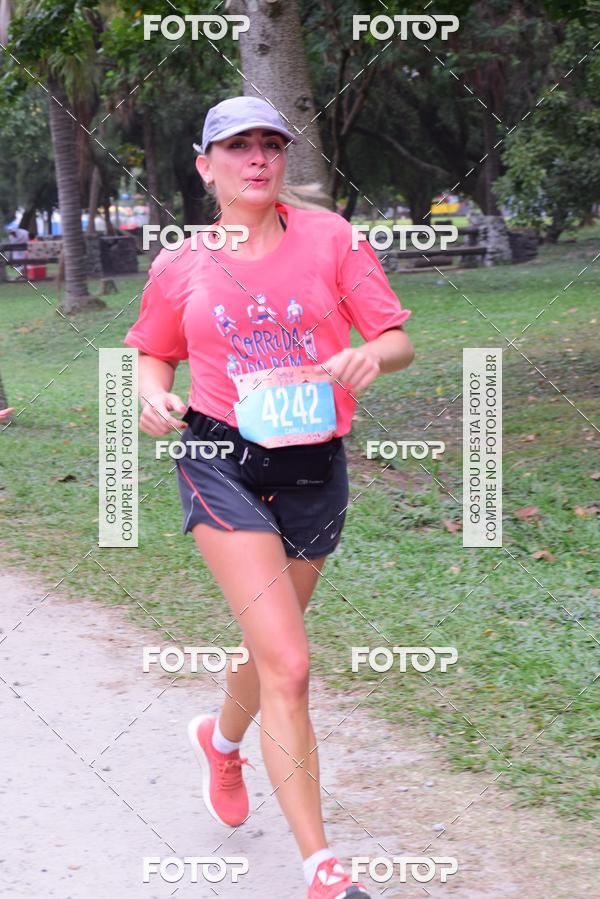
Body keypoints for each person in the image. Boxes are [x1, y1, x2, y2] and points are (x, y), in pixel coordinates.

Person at [124, 95, 415, 898]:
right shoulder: (181, 263)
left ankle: (220, 741)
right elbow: (153, 355)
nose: (257, 158)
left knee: (271, 649)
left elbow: (397, 336)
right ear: (205, 164)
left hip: (314, 464)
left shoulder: (331, 238)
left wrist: (370, 359)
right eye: (238, 146)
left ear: (284, 158)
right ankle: (324, 870)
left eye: (270, 145)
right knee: (289, 663)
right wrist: (154, 400)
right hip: (221, 460)